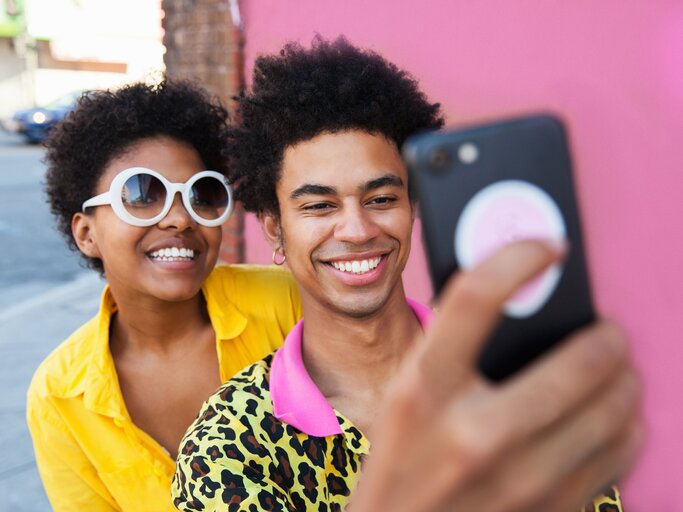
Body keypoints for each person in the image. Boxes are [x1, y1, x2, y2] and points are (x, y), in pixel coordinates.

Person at [172, 37, 640, 511]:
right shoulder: (229, 443)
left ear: (413, 205)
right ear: (275, 229)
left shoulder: (515, 377)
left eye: (381, 199)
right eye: (319, 205)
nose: (356, 230)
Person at [26, 80, 302, 512]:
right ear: (86, 233)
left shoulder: (287, 303)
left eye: (201, 194)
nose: (179, 218)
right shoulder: (60, 394)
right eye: (141, 194)